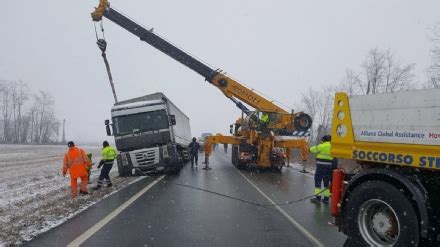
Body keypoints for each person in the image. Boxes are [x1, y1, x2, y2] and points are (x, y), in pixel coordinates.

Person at [310, 135, 333, 204]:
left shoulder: (322, 146)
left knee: (318, 181)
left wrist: (310, 148)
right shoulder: (333, 147)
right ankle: (326, 199)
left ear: (324, 140)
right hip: (329, 167)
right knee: (326, 182)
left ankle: (318, 198)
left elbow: (312, 149)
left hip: (320, 167)